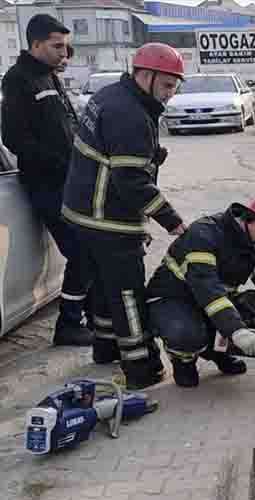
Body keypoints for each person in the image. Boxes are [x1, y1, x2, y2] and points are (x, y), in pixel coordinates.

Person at [61, 42, 187, 388]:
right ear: (145, 75)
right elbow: (131, 181)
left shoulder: (110, 96)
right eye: (167, 85)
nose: (170, 95)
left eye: (174, 86)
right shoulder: (130, 114)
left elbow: (112, 153)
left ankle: (105, 348)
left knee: (103, 288)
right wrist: (172, 221)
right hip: (109, 220)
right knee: (128, 294)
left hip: (81, 213)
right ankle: (141, 367)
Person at [145, 193, 255, 387]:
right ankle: (184, 361)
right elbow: (208, 290)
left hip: (211, 301)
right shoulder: (204, 235)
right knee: (186, 334)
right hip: (172, 300)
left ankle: (217, 351)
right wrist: (236, 330)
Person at [1, 15, 92, 346]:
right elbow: (14, 137)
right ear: (35, 44)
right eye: (56, 46)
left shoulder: (49, 77)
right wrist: (58, 163)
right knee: (81, 252)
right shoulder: (19, 79)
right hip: (45, 183)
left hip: (69, 180)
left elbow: (66, 126)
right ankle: (68, 326)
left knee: (89, 249)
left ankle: (89, 317)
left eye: (65, 46)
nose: (63, 53)